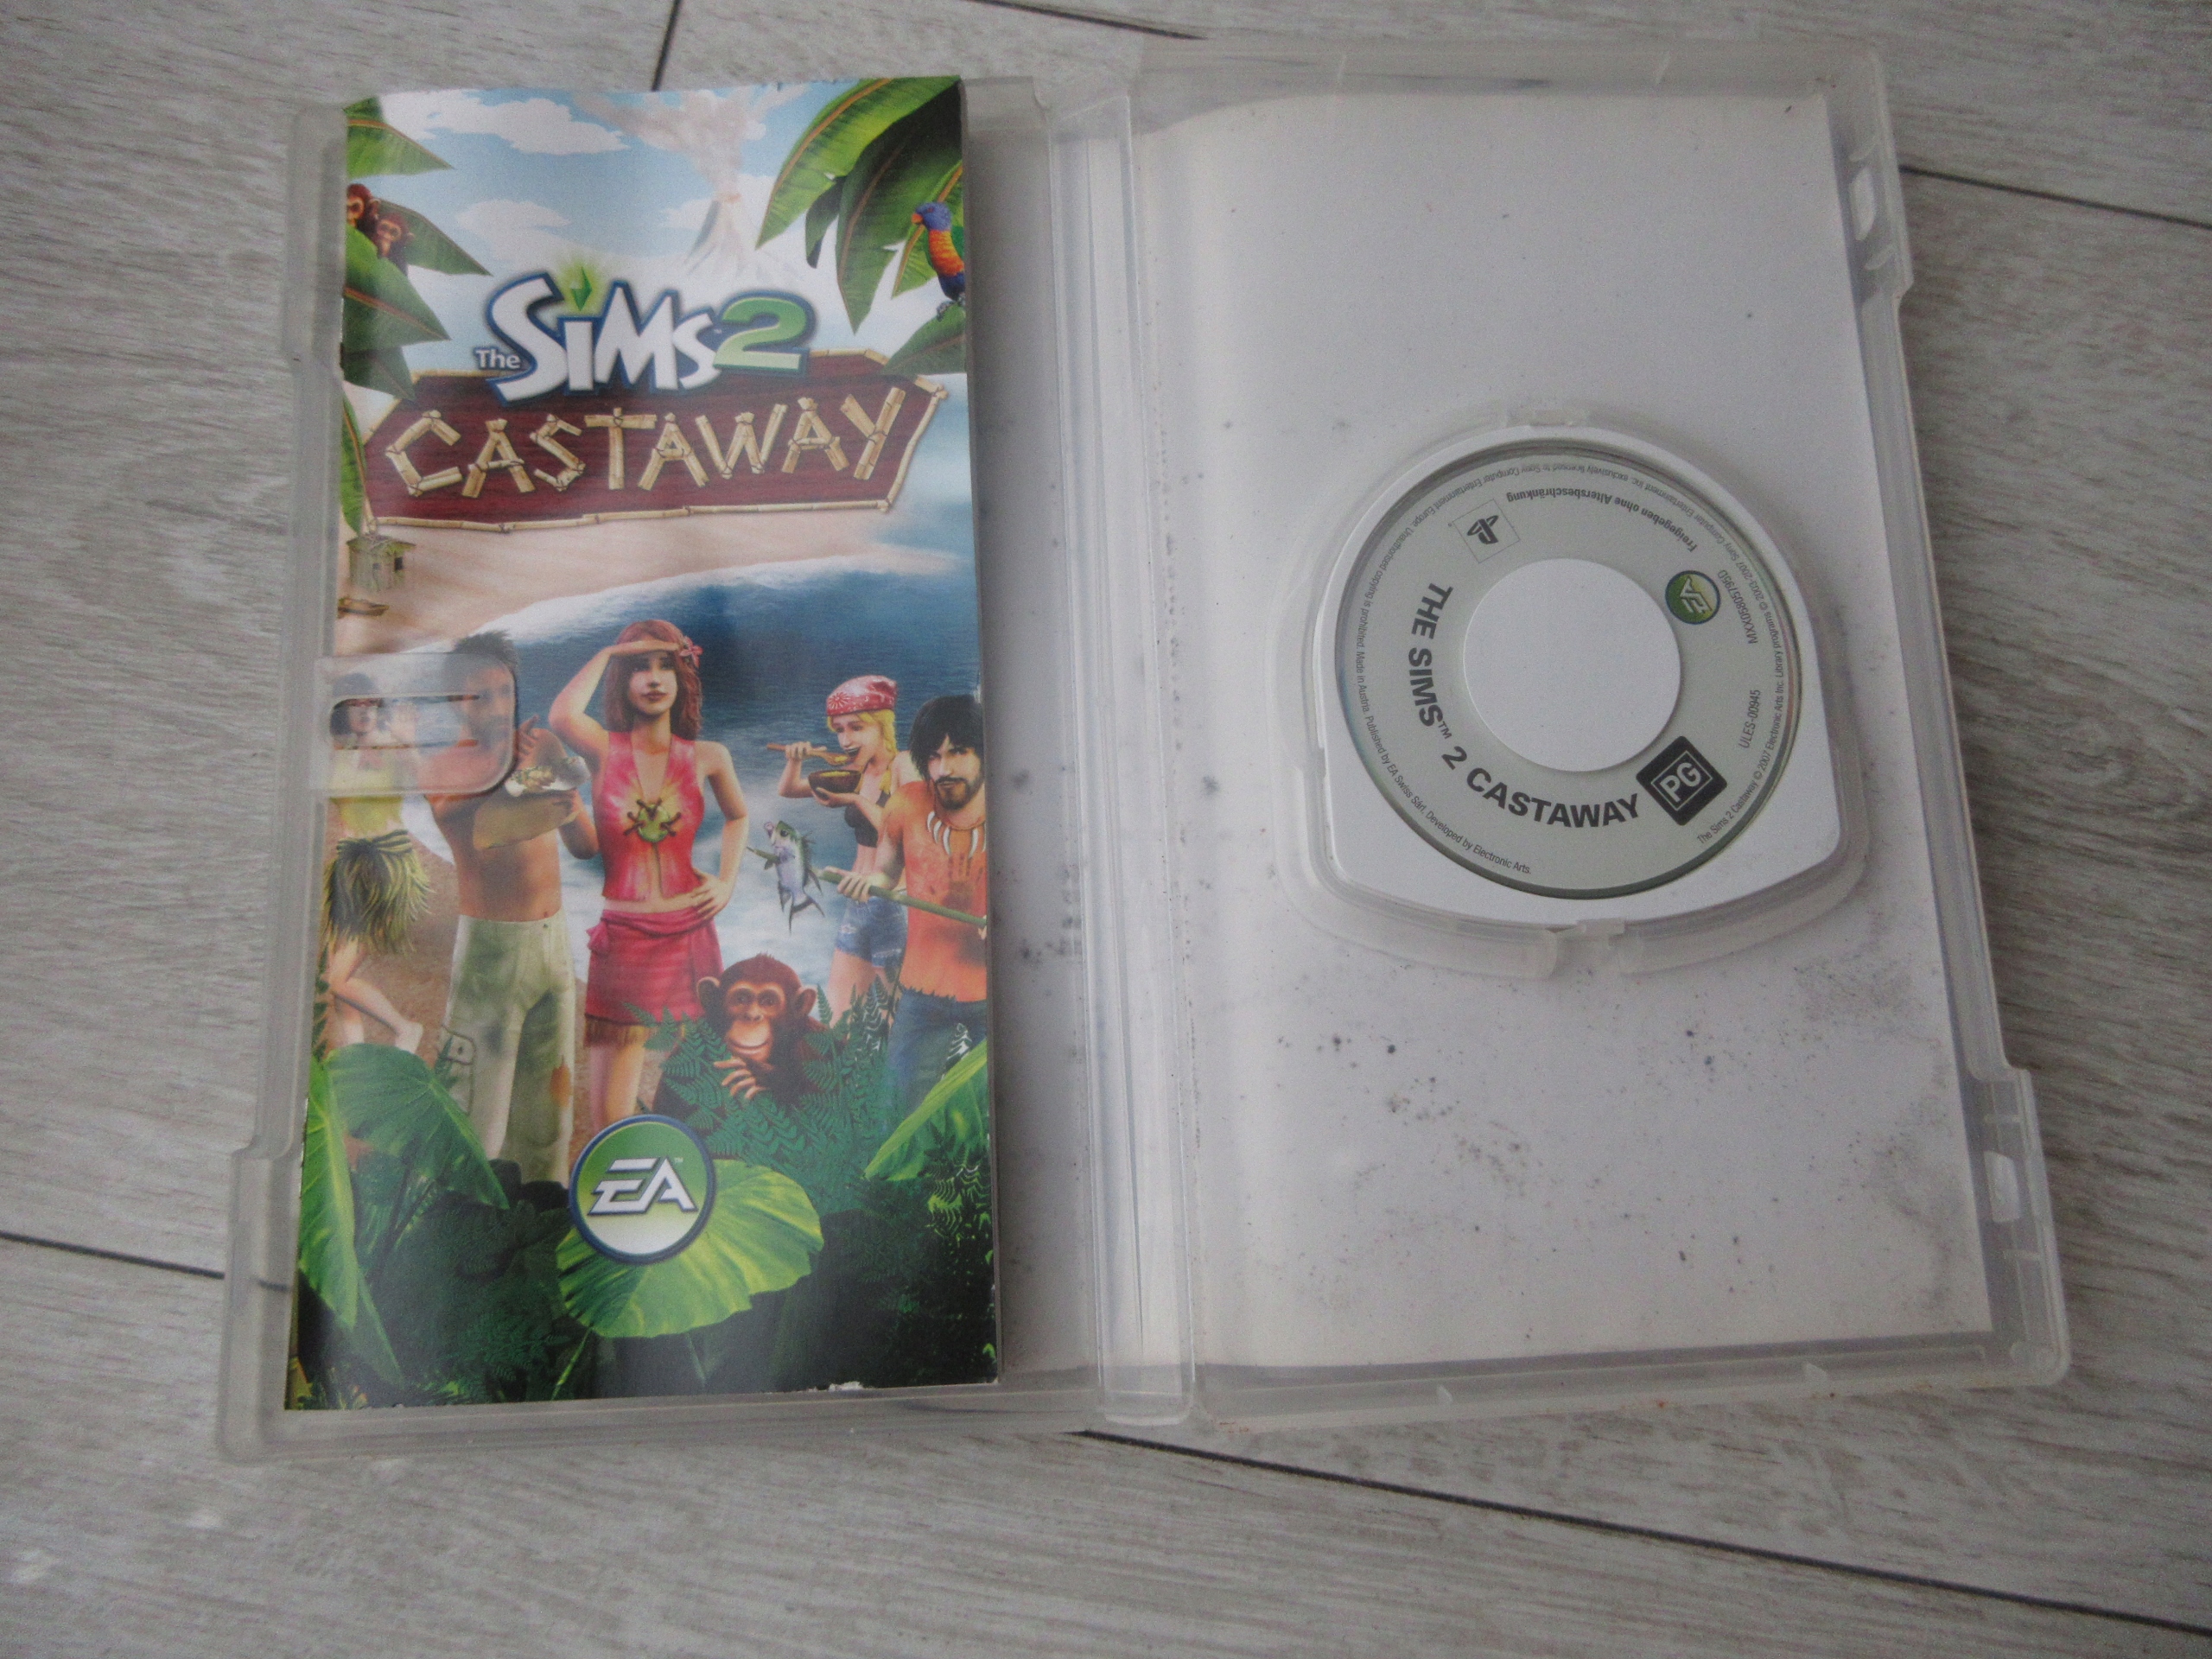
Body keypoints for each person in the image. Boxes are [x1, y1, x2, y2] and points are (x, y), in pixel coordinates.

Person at [551, 619, 747, 1141]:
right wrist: (610, 652)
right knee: (609, 1117)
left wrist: (727, 882)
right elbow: (562, 715)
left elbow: (738, 817)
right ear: (622, 680)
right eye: (639, 668)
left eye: (666, 666)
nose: (655, 678)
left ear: (684, 679)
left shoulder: (709, 757)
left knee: (700, 1097)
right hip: (624, 943)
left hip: (691, 937)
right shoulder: (603, 748)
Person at [427, 633, 596, 1187]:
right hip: (490, 955)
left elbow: (586, 844)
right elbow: (467, 822)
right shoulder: (447, 769)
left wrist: (561, 784)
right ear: (454, 701)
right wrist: (531, 775)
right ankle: (451, 1223)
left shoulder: (540, 746)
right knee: (473, 1116)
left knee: (548, 1123)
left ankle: (539, 1222)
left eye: (505, 692)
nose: (498, 708)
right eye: (481, 697)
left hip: (553, 947)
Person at [836, 693, 988, 1117]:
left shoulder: (1012, 809)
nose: (944, 769)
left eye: (958, 752)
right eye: (934, 757)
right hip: (922, 989)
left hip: (993, 992)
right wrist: (866, 883)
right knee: (899, 1116)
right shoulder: (905, 803)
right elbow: (886, 873)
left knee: (989, 1118)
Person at [776, 674, 919, 1020]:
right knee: (838, 1016)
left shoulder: (905, 764)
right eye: (839, 730)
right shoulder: (855, 771)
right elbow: (789, 790)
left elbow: (907, 833)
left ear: (882, 725)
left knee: (895, 1018)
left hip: (896, 901)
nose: (845, 740)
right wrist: (795, 760)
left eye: (856, 727)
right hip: (857, 901)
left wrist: (855, 799)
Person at [322, 677, 429, 1052]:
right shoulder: (336, 753)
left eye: (371, 704)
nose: (365, 711)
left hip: (386, 861)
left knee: (337, 978)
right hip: (348, 865)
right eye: (356, 704)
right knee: (337, 975)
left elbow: (426, 786)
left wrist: (409, 743)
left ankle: (405, 1028)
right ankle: (354, 1057)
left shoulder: (391, 747)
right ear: (342, 711)